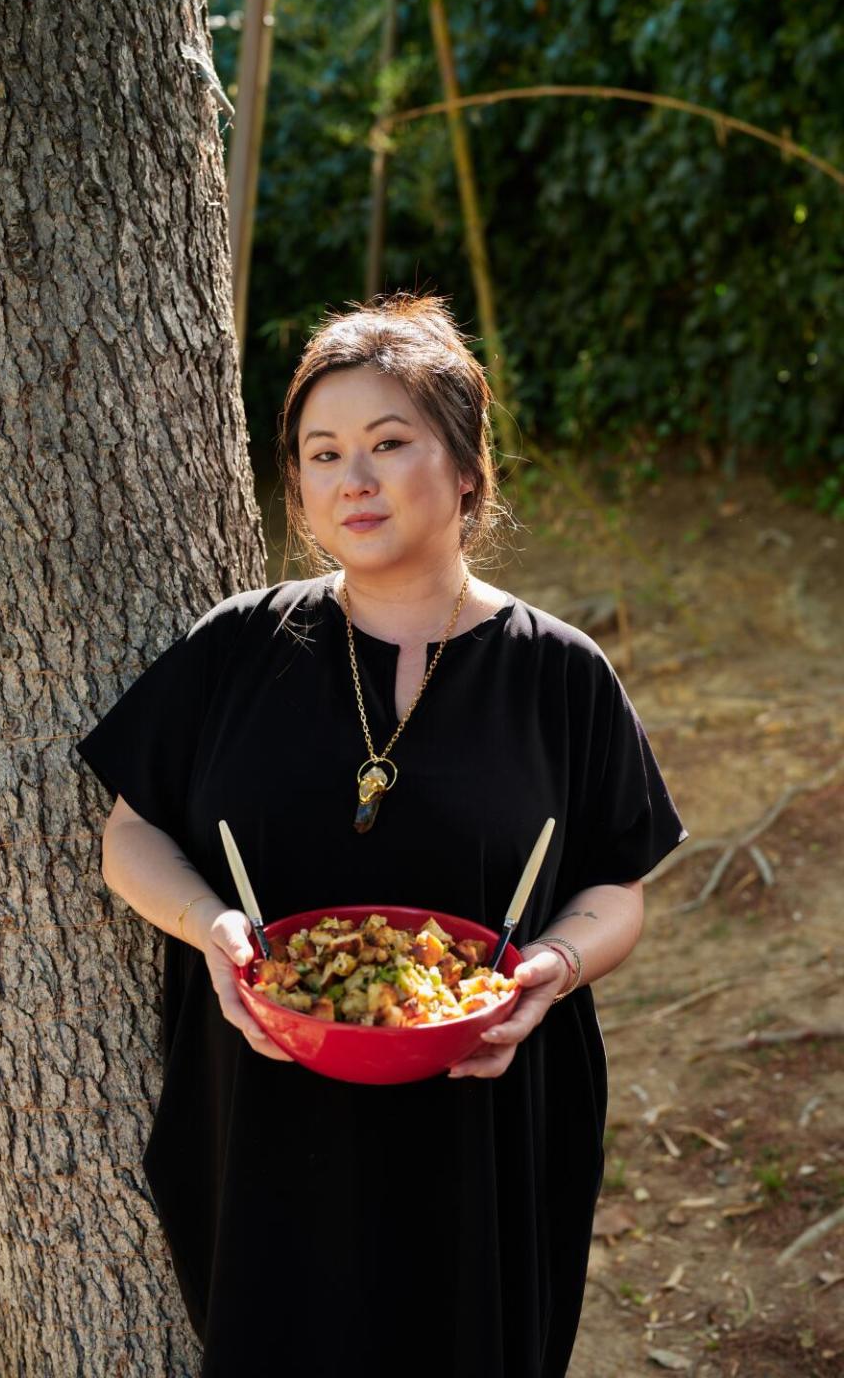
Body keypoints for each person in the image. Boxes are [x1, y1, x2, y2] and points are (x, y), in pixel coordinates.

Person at [75, 291, 688, 1378]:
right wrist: (212, 925)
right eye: (322, 453)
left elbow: (615, 888)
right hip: (270, 1115)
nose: (351, 478)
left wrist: (552, 965)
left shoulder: (560, 675)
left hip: (481, 1121)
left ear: (464, 467)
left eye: (388, 442)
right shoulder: (234, 649)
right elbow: (131, 837)